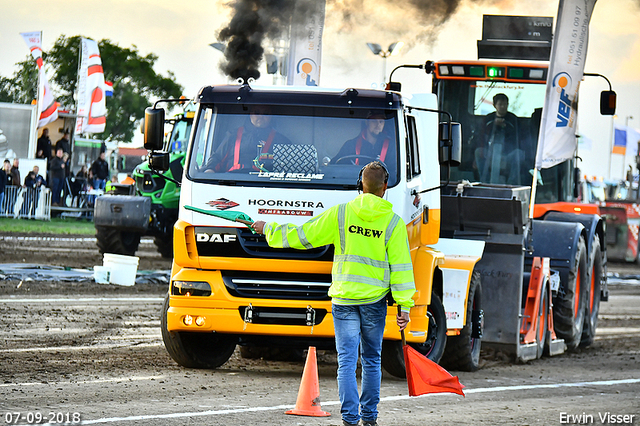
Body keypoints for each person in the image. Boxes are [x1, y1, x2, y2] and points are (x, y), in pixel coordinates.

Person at [252, 161, 415, 426]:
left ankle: (350, 419)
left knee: (347, 362)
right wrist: (404, 307)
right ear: (385, 187)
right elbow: (401, 268)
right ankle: (370, 418)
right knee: (372, 360)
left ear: (360, 185)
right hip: (375, 303)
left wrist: (267, 229)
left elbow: (303, 235)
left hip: (344, 300)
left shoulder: (341, 214)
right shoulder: (393, 223)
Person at [204, 105, 291, 172]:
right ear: (250, 114)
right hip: (233, 182)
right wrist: (210, 170)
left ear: (271, 116)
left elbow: (289, 168)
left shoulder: (281, 141)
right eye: (257, 113)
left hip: (266, 186)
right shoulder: (232, 135)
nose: (261, 116)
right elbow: (217, 157)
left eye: (266, 113)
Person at [474, 93, 522, 184]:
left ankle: (512, 183)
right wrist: (494, 125)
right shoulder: (488, 119)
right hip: (489, 152)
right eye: (500, 104)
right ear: (494, 105)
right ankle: (484, 182)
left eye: (505, 104)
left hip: (508, 153)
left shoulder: (513, 119)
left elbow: (517, 137)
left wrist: (505, 127)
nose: (503, 107)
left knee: (518, 154)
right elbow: (482, 135)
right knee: (478, 152)